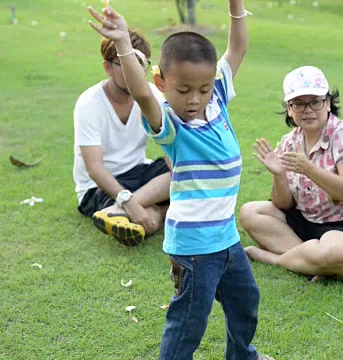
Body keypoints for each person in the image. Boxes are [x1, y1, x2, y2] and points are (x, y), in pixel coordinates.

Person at [87, 3, 274, 360]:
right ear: (162, 82)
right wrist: (124, 43)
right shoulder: (171, 125)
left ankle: (241, 355)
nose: (194, 99)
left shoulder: (216, 98)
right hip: (193, 247)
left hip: (226, 238)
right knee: (189, 322)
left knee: (246, 301)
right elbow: (142, 94)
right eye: (184, 89)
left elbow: (237, 50)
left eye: (202, 89)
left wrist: (236, 7)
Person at [240, 66, 343, 281]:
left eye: (315, 101)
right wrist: (279, 175)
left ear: (328, 103)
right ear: (289, 109)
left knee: (337, 253)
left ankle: (275, 258)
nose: (308, 110)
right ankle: (312, 260)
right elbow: (283, 205)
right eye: (299, 104)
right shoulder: (289, 142)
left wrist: (309, 169)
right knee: (251, 212)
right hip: (313, 221)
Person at [73, 29, 171, 247]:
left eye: (138, 64)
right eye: (124, 63)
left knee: (182, 176)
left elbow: (171, 147)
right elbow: (94, 168)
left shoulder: (152, 95)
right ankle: (146, 214)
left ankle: (138, 213)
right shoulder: (89, 103)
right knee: (150, 215)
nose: (132, 71)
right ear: (107, 67)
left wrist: (182, 177)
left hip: (138, 171)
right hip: (98, 186)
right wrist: (126, 199)